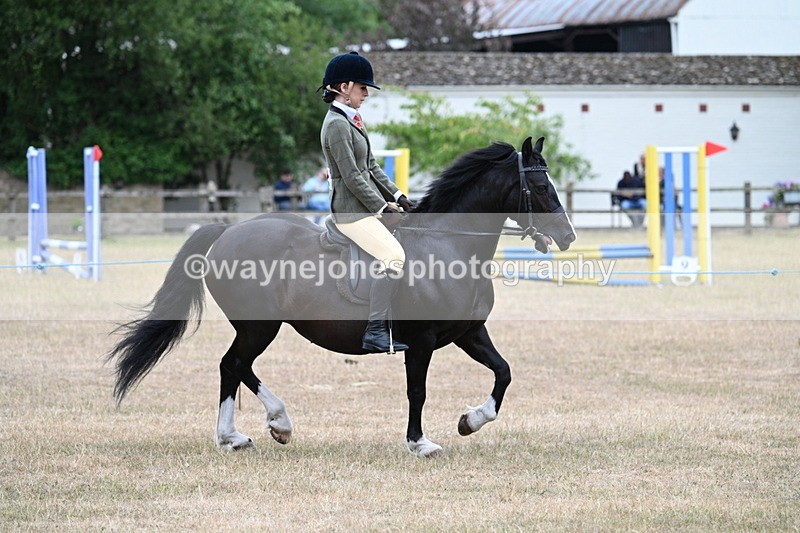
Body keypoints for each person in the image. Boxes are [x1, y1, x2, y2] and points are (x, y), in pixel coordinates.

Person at [318, 51, 416, 354]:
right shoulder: (335, 125)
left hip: (365, 207)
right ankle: (375, 332)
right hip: (351, 212)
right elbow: (350, 176)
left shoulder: (353, 120)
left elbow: (371, 168)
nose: (366, 94)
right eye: (363, 88)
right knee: (393, 257)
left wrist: (399, 197)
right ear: (343, 87)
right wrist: (381, 207)